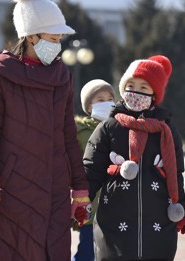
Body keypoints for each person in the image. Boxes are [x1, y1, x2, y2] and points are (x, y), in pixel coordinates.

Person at [0, 0, 91, 260]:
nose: (58, 45)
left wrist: (80, 189)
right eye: (53, 38)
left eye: (60, 39)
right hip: (14, 191)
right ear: (32, 36)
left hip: (55, 193)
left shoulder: (61, 76)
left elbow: (67, 136)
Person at [83, 55, 185, 261]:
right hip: (114, 219)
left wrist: (181, 208)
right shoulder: (109, 127)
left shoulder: (165, 130)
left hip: (158, 219)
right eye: (130, 85)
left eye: (143, 87)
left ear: (154, 94)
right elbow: (91, 168)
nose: (135, 92)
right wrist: (81, 199)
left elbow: (176, 173)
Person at [73, 80, 116, 261]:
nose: (107, 103)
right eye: (100, 100)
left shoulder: (120, 128)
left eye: (110, 99)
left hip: (115, 203)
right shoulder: (79, 130)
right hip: (90, 201)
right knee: (87, 251)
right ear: (89, 106)